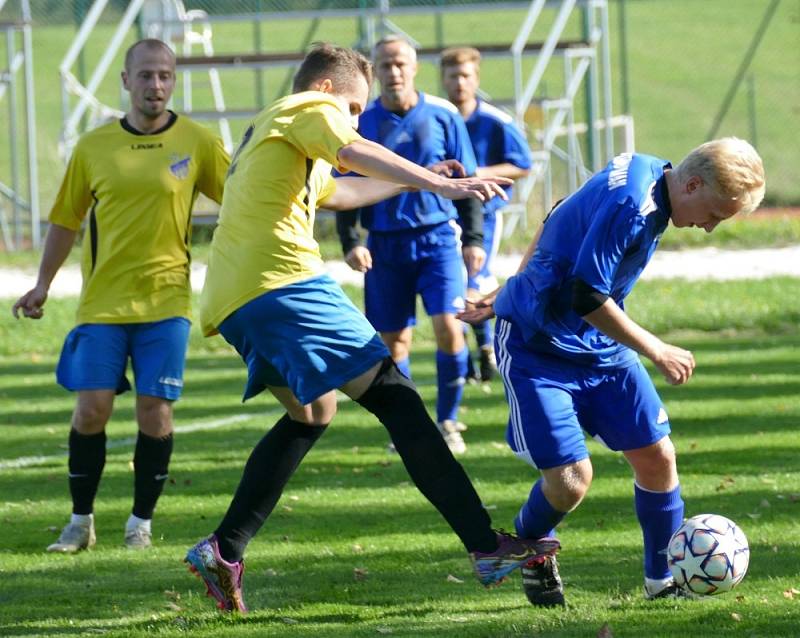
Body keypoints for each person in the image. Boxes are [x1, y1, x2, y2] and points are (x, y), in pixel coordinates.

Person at [183, 42, 559, 613]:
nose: (356, 119)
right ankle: (486, 547)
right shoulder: (311, 106)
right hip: (282, 283)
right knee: (400, 401)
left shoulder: (275, 130)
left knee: (312, 413)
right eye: (355, 107)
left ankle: (224, 548)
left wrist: (417, 179)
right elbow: (355, 151)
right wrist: (445, 188)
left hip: (236, 300)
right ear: (330, 90)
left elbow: (344, 189)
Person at [459, 138, 765, 606]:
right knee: (570, 482)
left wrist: (516, 278)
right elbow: (586, 296)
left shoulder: (648, 168)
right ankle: (524, 549)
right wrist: (657, 349)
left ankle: (662, 582)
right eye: (715, 213)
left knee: (657, 457)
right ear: (693, 183)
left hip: (599, 346)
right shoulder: (633, 204)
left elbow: (563, 211)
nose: (709, 228)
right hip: (538, 345)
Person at [11, 39, 230, 552]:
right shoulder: (93, 147)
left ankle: (140, 526)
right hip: (103, 305)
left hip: (167, 302)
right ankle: (80, 521)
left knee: (155, 413)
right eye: (147, 75)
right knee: (91, 410)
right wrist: (42, 283)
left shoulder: (197, 141)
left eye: (165, 76)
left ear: (174, 81)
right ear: (127, 81)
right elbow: (65, 220)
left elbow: (242, 198)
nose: (156, 85)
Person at [336, 35, 486, 454]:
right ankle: (410, 428)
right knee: (393, 343)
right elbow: (345, 182)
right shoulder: (360, 122)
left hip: (437, 241)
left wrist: (472, 239)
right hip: (384, 246)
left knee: (449, 328)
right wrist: (351, 241)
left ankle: (449, 421)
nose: (393, 72)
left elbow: (466, 179)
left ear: (415, 68)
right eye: (384, 65)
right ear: (375, 72)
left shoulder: (442, 115)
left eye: (400, 63)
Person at [440, 46, 532, 383]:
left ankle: (486, 350)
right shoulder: (439, 117)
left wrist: (479, 173)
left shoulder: (495, 121)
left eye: (465, 76)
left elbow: (523, 164)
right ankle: (476, 350)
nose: (460, 83)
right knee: (456, 281)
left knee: (474, 279)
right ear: (443, 80)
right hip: (445, 216)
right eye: (453, 76)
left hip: (485, 214)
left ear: (476, 78)